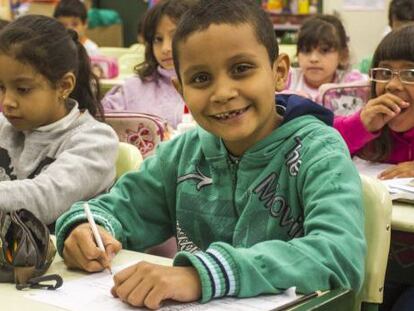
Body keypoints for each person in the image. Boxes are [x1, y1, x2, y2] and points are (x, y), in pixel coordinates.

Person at [56, 0, 365, 309]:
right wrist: (86, 230)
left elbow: (339, 255)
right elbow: (119, 208)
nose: (222, 93)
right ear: (181, 90)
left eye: (241, 69)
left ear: (279, 72)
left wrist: (202, 275)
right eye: (201, 78)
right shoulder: (184, 153)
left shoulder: (319, 151)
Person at [0, 15, 118, 226]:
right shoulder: (4, 126)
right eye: (0, 88)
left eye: (23, 90)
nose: (7, 102)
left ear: (64, 86)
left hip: (63, 258)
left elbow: (44, 200)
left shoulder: (96, 141)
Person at [101, 0, 194, 128]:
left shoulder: (207, 83)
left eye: (175, 37)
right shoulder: (133, 87)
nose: (165, 48)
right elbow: (101, 119)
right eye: (158, 39)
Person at [285, 14, 366, 102]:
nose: (313, 59)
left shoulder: (353, 85)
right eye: (306, 50)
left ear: (343, 55)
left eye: (324, 50)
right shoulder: (286, 80)